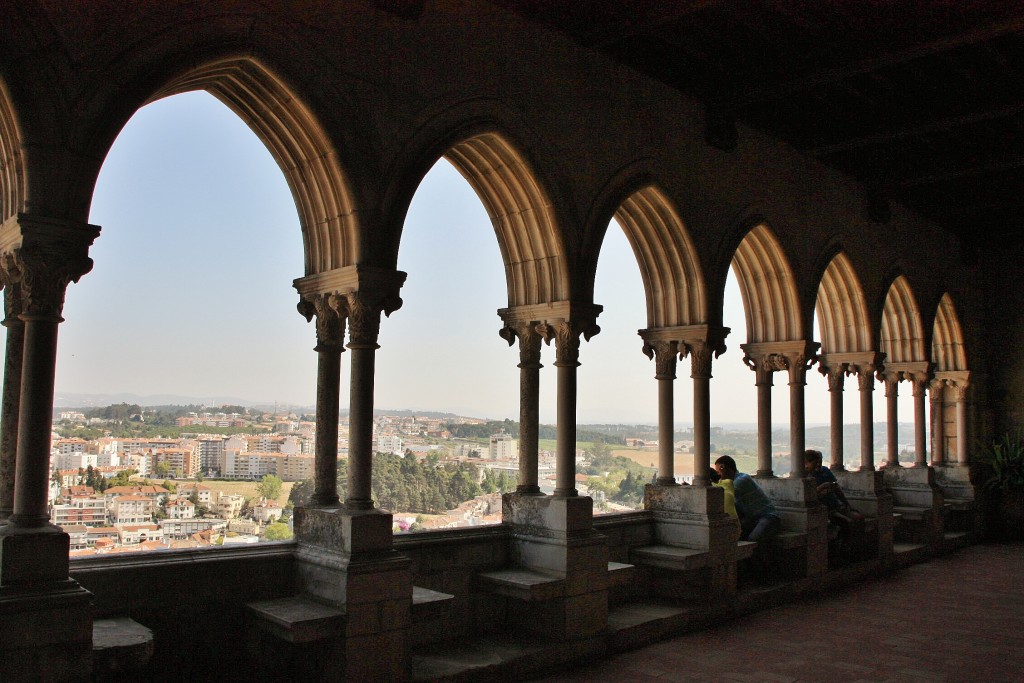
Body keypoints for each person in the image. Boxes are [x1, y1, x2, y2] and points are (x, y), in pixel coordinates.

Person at [804, 449, 864, 565]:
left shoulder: (824, 471)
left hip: (836, 506)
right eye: (815, 462)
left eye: (819, 462)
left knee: (859, 519)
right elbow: (811, 496)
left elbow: (836, 489)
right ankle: (842, 555)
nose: (818, 465)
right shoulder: (806, 476)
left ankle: (854, 553)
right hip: (826, 510)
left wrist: (846, 504)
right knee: (847, 523)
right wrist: (822, 488)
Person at [713, 456, 780, 553]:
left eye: (718, 470)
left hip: (769, 517)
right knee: (734, 534)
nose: (718, 474)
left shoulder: (742, 479)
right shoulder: (731, 482)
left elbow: (723, 493)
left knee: (754, 540)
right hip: (753, 518)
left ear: (724, 467)